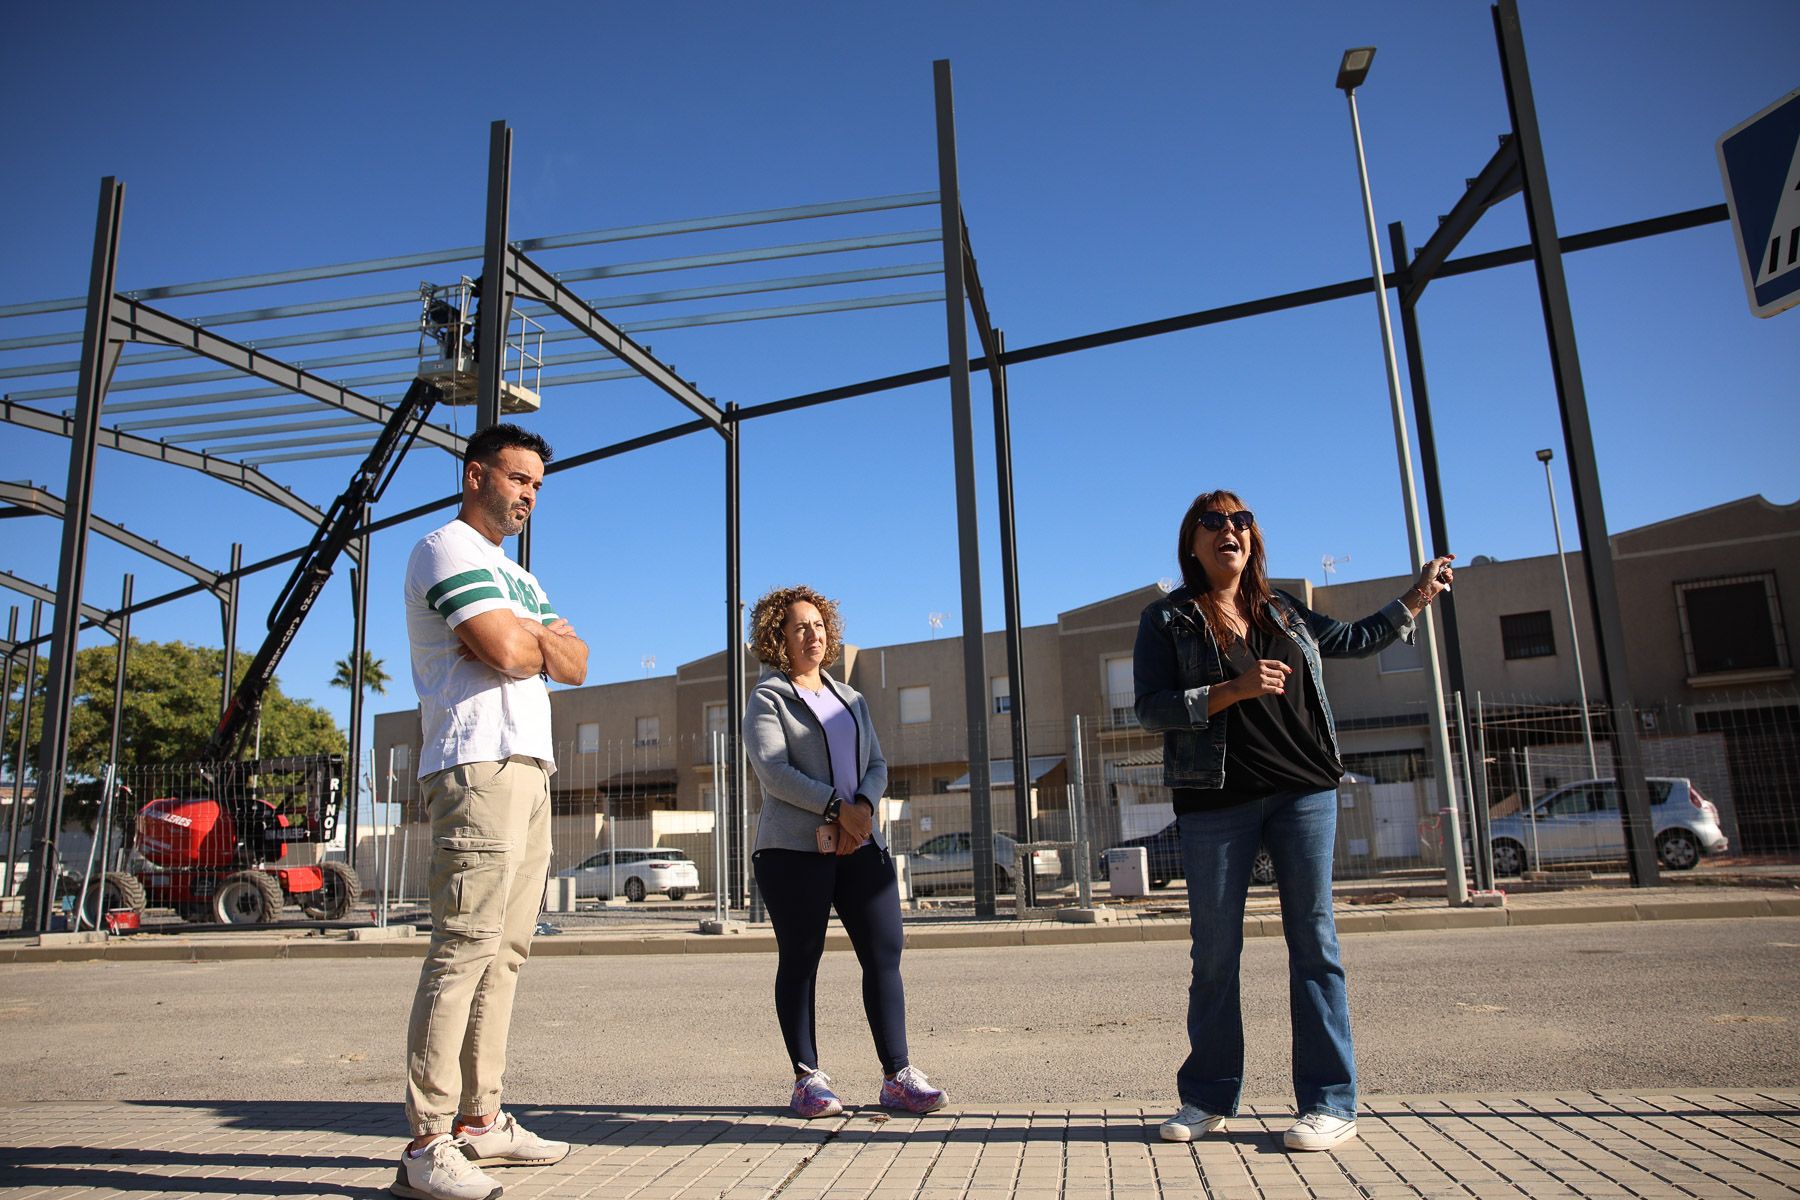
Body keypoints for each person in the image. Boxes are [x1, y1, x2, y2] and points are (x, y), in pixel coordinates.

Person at [1134, 490, 1452, 1153]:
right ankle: (1207, 1098)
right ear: (1192, 542)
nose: (1231, 530)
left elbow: (1357, 638)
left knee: (1314, 943)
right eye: (1215, 522)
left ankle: (1330, 1103)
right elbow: (1152, 708)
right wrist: (1233, 691)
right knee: (1215, 953)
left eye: (1242, 521)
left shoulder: (1282, 609)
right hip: (1214, 799)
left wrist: (1417, 597)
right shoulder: (1167, 619)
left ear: (1254, 538)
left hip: (1303, 790)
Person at [394, 423, 589, 1200]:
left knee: (507, 954)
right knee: (463, 949)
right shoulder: (444, 550)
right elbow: (510, 654)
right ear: (476, 475)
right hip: (475, 767)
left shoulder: (520, 577)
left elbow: (575, 664)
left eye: (537, 486)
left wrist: (532, 636)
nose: (528, 496)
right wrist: (536, 640)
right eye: (518, 479)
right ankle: (426, 1143)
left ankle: (482, 1122)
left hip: (529, 768)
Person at [742, 585, 947, 1119]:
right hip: (793, 849)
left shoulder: (850, 698)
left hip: (861, 844)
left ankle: (898, 1076)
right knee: (802, 959)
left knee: (885, 952)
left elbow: (877, 764)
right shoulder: (767, 699)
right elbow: (773, 771)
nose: (814, 634)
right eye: (799, 627)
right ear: (778, 638)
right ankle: (808, 1080)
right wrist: (838, 807)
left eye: (819, 625)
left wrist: (862, 807)